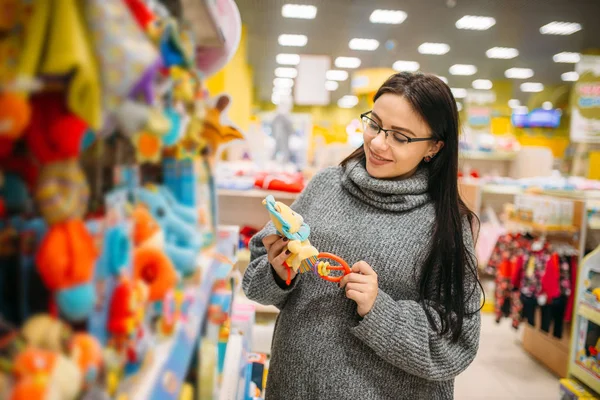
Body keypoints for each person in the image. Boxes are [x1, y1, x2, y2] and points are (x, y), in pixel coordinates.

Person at [242, 72, 482, 399]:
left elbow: (457, 343)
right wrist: (277, 272)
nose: (378, 143)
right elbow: (255, 277)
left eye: (400, 137)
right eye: (375, 124)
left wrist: (378, 308)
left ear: (434, 147)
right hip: (294, 387)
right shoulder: (325, 185)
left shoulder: (446, 224)